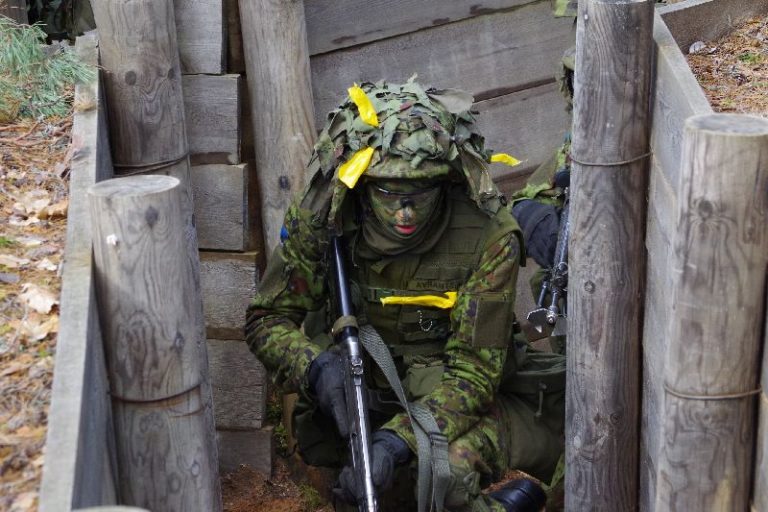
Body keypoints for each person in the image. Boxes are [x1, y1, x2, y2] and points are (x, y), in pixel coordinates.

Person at [245, 79, 565, 512]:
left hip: (457, 404)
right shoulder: (323, 220)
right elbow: (266, 318)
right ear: (362, 184)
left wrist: (397, 442)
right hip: (363, 401)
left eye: (421, 192)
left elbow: (474, 376)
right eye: (388, 193)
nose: (405, 212)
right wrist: (314, 367)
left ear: (446, 182)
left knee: (442, 478)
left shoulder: (489, 236)